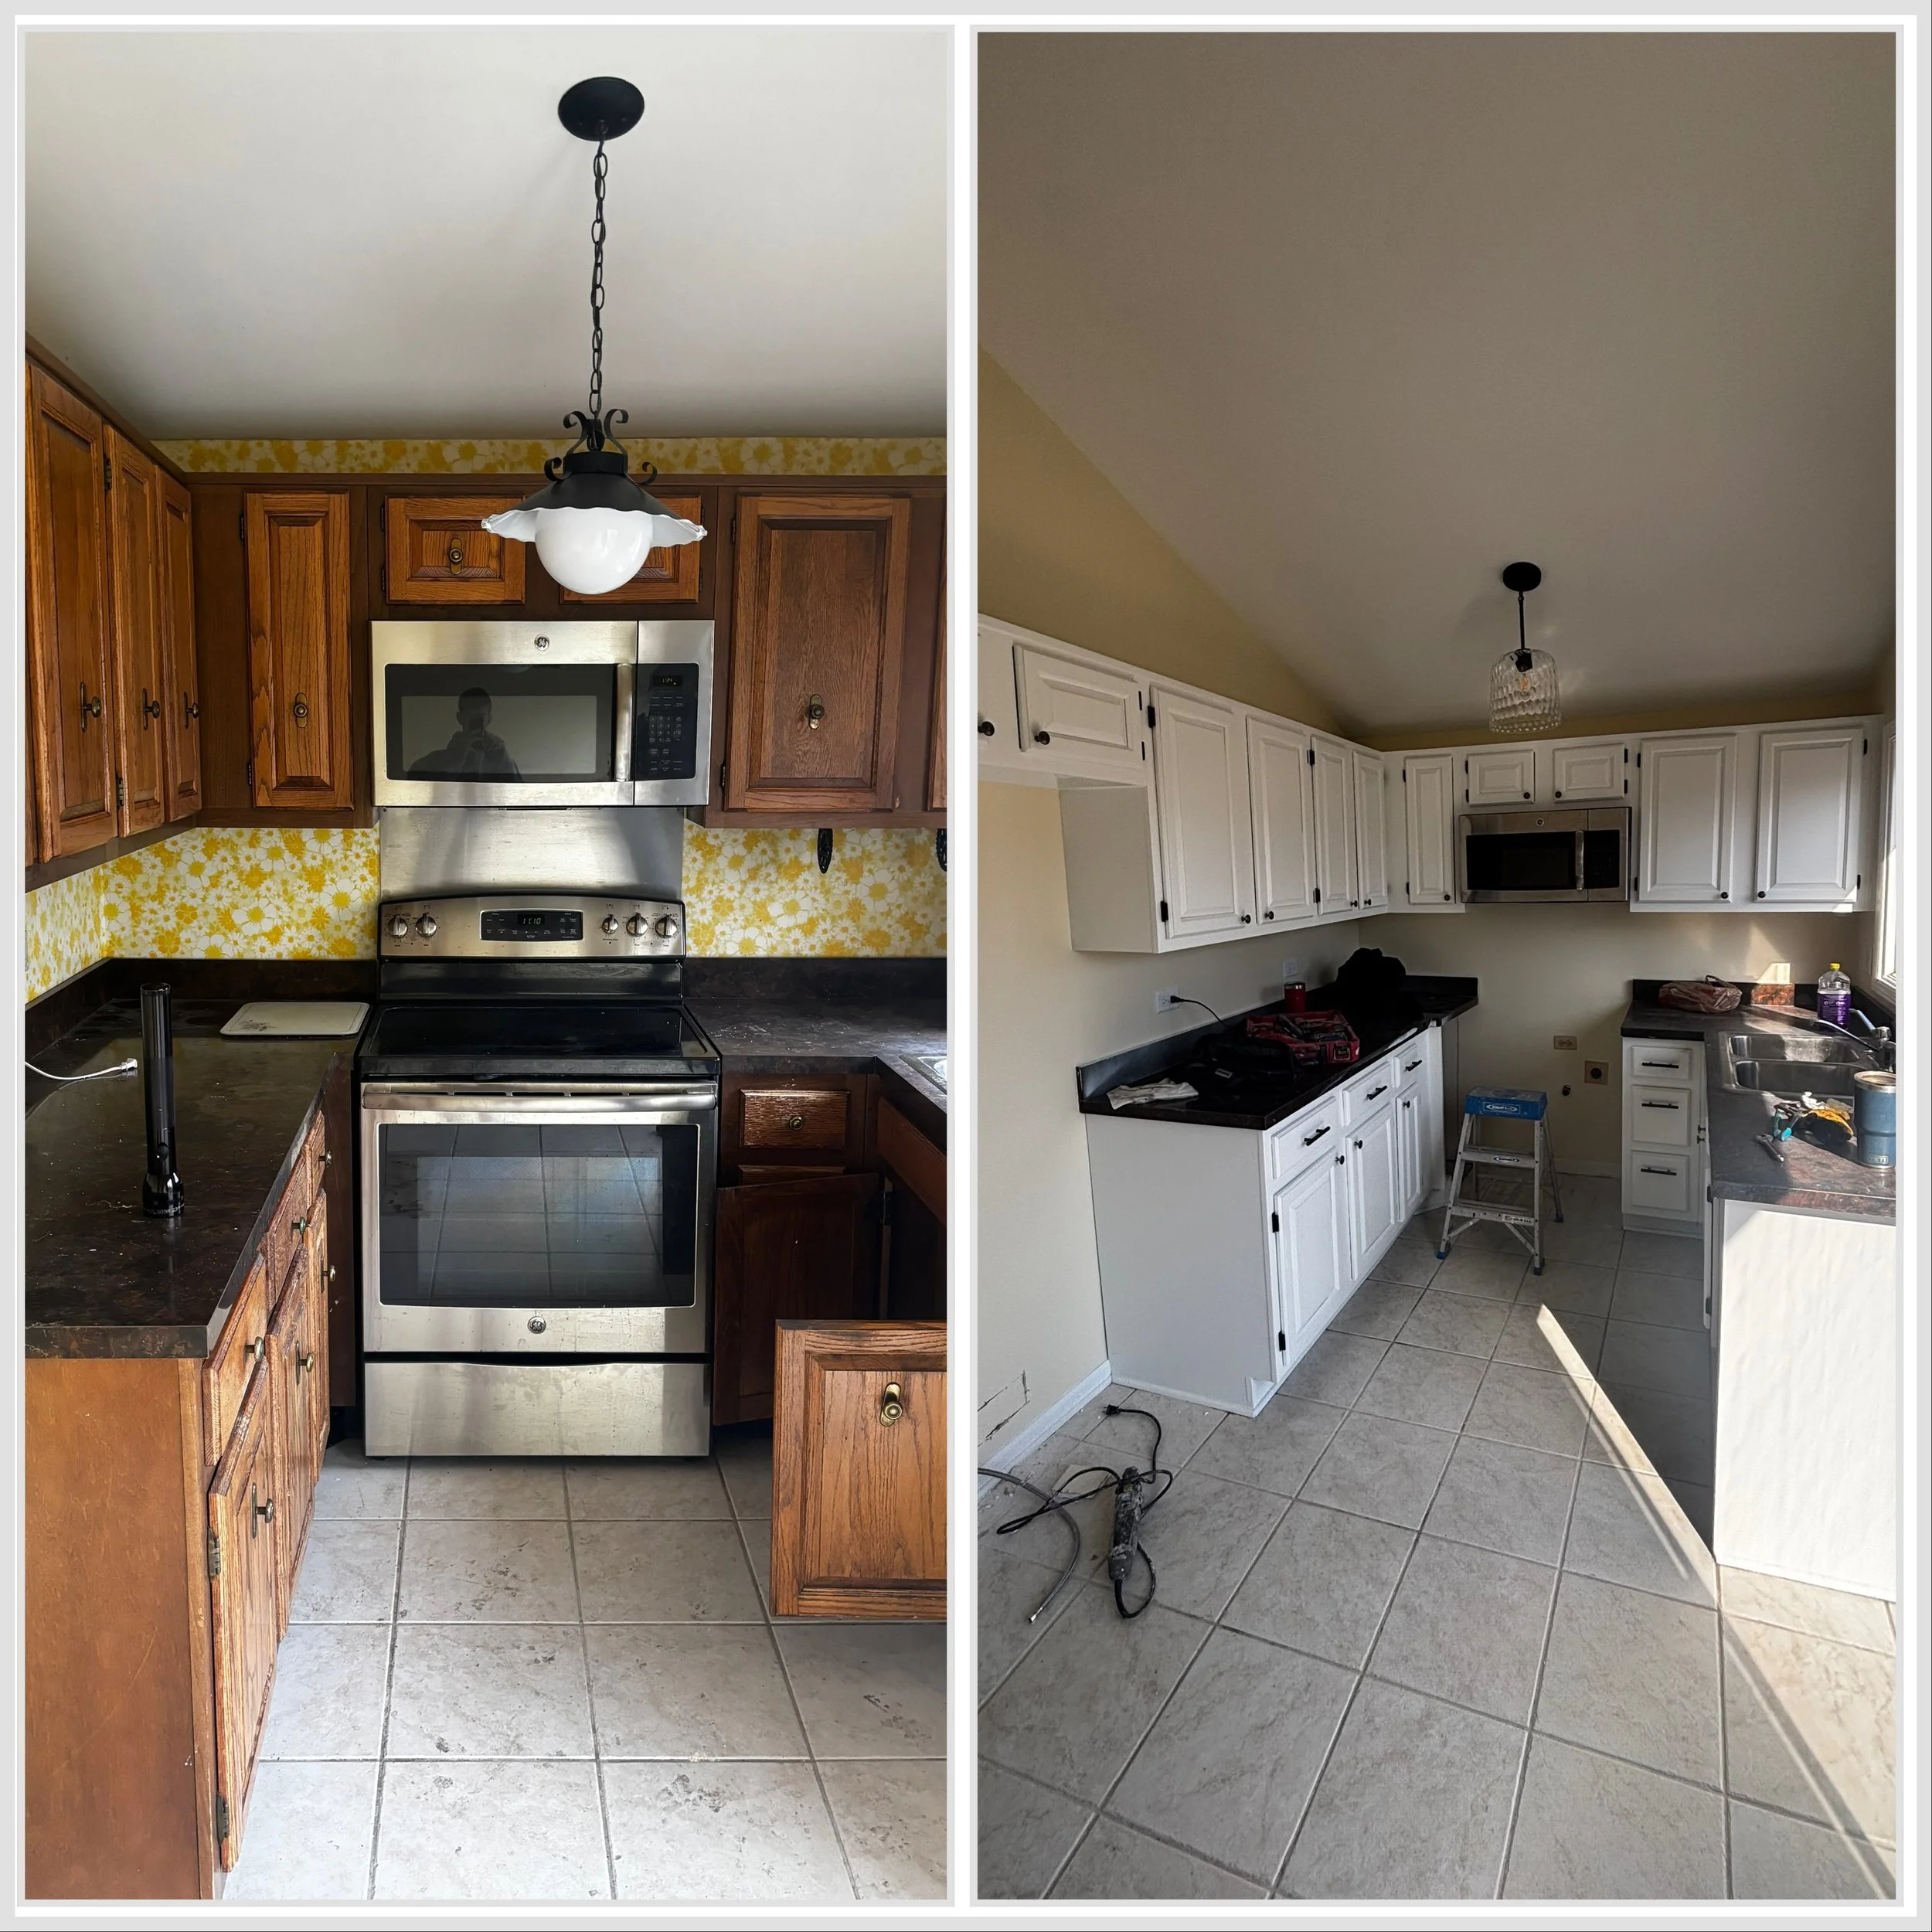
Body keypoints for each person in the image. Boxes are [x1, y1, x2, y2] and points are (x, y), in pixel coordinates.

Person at [407, 687, 522, 777]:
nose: (476, 722)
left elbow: (517, 790)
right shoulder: (436, 761)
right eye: (471, 717)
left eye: (479, 717)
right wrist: (454, 756)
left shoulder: (499, 756)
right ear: (460, 718)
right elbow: (413, 779)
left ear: (489, 719)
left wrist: (501, 755)